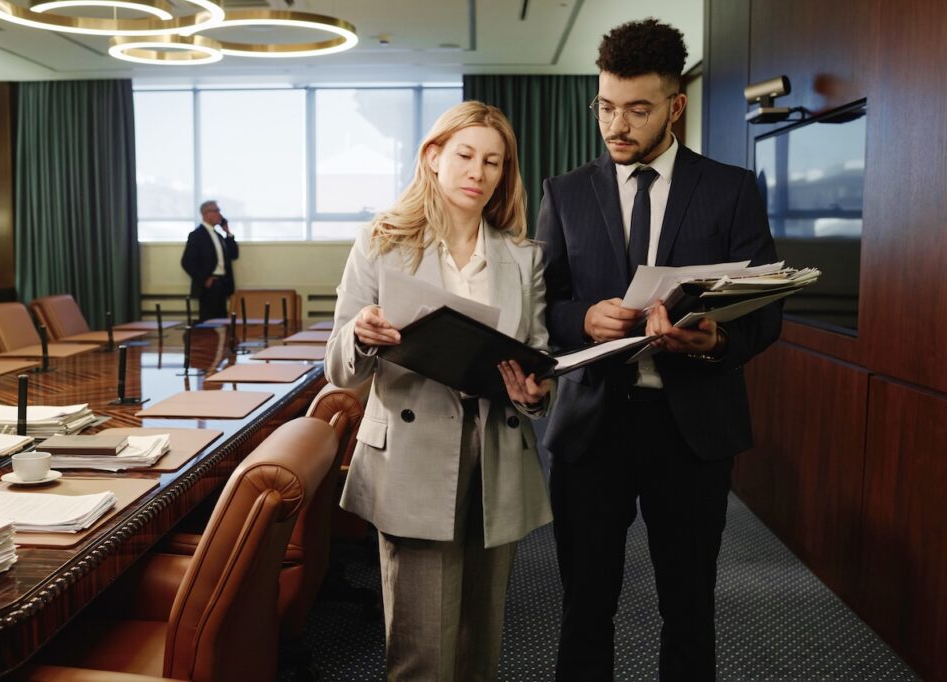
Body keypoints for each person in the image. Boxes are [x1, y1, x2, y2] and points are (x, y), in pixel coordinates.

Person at [536, 18, 782, 681]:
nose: (616, 124)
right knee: (585, 606)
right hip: (591, 429)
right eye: (606, 106)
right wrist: (583, 318)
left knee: (689, 605)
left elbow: (766, 308)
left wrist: (717, 337)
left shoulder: (730, 189)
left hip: (692, 428)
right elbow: (543, 306)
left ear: (675, 107)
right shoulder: (563, 194)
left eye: (637, 109)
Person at [325, 101, 554, 681]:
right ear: (432, 157)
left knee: (482, 643)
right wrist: (361, 333)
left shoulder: (523, 258)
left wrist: (533, 393)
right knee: (421, 652)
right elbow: (338, 370)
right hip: (411, 456)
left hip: (496, 454)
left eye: (495, 162)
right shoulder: (379, 243)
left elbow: (539, 360)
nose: (480, 171)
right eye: (466, 155)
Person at [180, 200, 239, 322]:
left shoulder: (218, 235)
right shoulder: (196, 235)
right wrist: (204, 279)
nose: (220, 214)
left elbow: (233, 255)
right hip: (209, 286)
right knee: (209, 322)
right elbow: (186, 262)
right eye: (216, 211)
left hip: (223, 283)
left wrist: (227, 232)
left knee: (222, 321)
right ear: (206, 214)